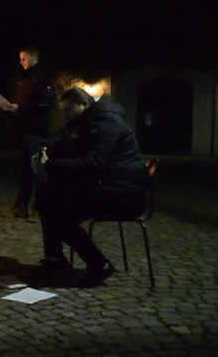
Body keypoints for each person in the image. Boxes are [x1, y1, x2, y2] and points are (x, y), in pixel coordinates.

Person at [32, 87, 148, 284]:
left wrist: (50, 165)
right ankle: (55, 259)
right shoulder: (87, 121)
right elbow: (62, 138)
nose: (65, 115)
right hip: (107, 187)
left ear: (84, 104)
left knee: (55, 208)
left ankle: (98, 264)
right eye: (63, 111)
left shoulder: (106, 123)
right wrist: (46, 149)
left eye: (69, 110)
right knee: (47, 196)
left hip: (125, 195)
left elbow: (93, 164)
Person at [3, 46, 54, 218]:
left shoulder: (43, 77)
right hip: (21, 130)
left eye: (24, 58)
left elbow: (45, 104)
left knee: (38, 171)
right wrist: (6, 106)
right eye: (20, 58)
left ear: (33, 57)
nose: (21, 62)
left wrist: (20, 108)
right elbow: (16, 99)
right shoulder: (20, 78)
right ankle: (21, 205)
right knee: (24, 171)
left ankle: (40, 208)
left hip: (36, 131)